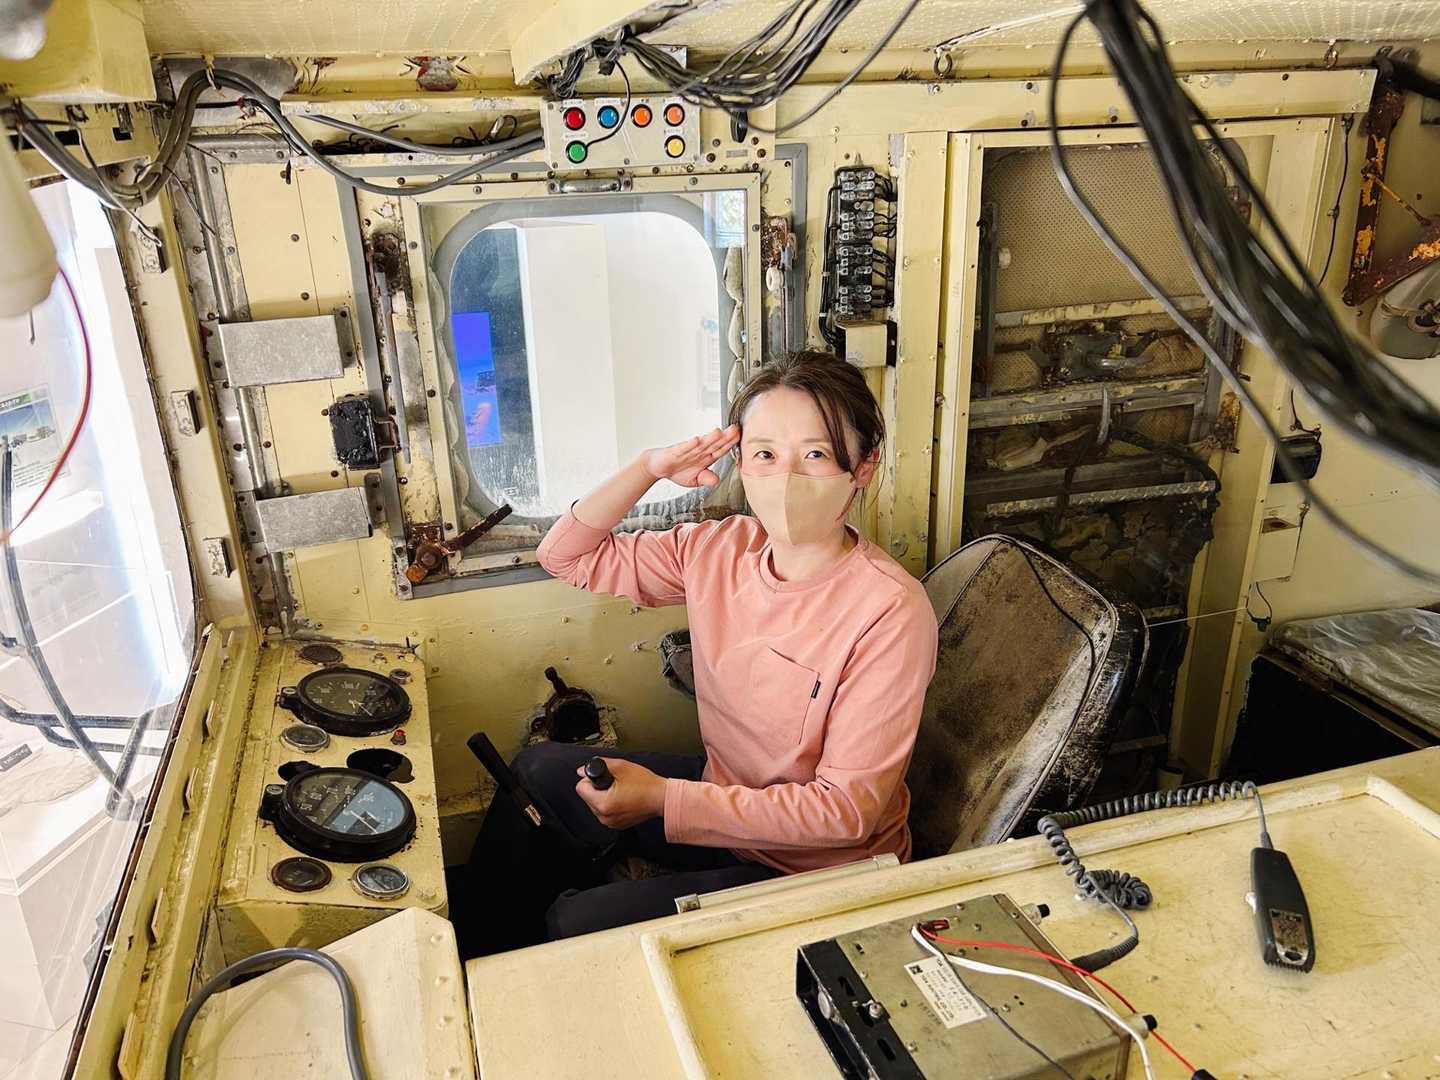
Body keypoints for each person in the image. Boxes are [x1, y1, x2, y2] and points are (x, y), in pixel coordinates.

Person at [463, 351, 938, 954]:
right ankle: (472, 954)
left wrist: (664, 799)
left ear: (863, 466)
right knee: (534, 774)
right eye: (764, 454)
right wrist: (648, 469)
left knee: (572, 923)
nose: (786, 479)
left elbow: (845, 813)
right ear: (740, 459)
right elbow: (566, 556)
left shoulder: (890, 610)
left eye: (816, 455)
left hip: (815, 865)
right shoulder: (720, 549)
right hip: (725, 798)